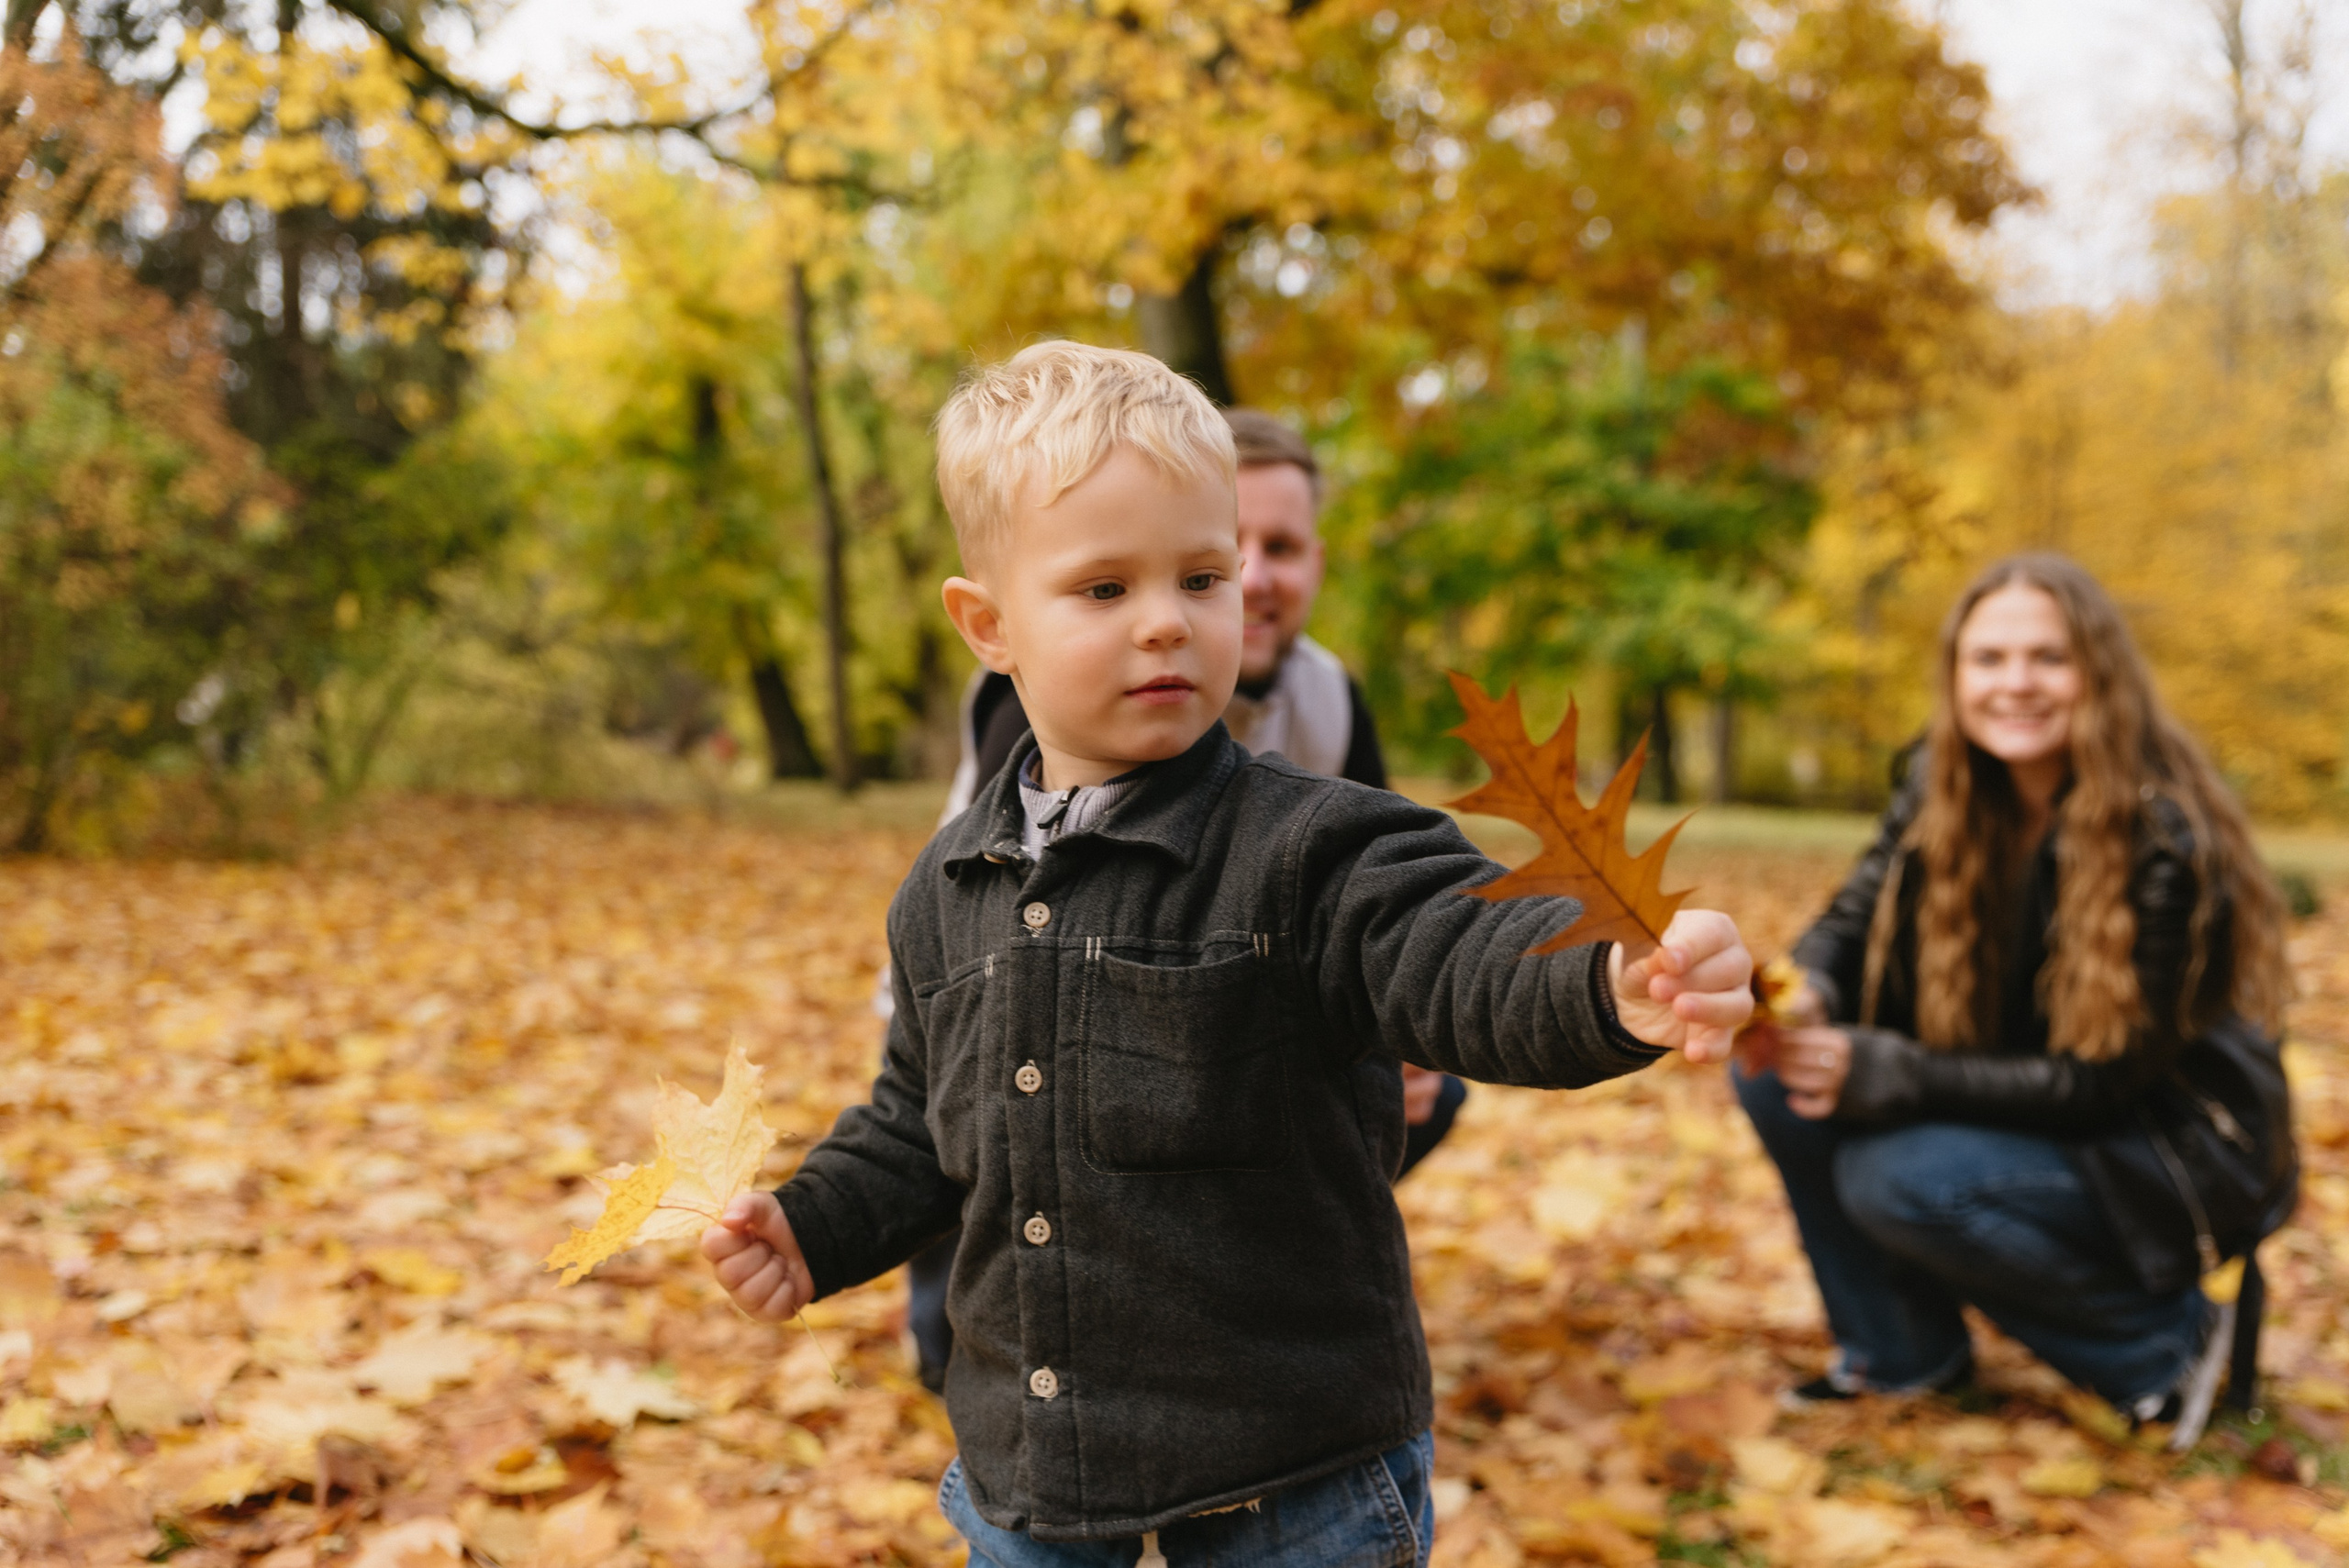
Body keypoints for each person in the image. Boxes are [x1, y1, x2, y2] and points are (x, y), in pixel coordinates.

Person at [704, 341, 1754, 1567]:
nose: (1167, 621)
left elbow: (1454, 945)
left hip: (1289, 1464)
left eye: (1203, 577)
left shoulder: (1311, 844)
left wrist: (1607, 980)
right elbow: (915, 1121)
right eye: (1103, 590)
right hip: (1040, 1460)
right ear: (988, 624)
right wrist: (813, 1225)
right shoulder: (945, 894)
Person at [903, 406, 1466, 1391]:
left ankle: (1233, 1270)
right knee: (983, 1149)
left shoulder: (1330, 698)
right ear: (998, 629)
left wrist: (1401, 1032)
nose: (1247, 580)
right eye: (1110, 584)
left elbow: (1399, 899)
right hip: (1004, 991)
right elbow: (1037, 926)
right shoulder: (1043, 700)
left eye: (1242, 563)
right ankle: (977, 1312)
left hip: (1241, 979)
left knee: (1421, 1087)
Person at [1736, 553, 2296, 1449]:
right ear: (1955, 676)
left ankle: (2169, 1352)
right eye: (1988, 659)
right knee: (1778, 1079)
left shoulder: (2168, 832)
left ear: (2099, 674)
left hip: (2167, 1145)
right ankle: (1900, 1351)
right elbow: (1852, 915)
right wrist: (1805, 995)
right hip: (2041, 1104)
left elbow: (2099, 1082)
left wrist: (1890, 1070)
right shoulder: (1940, 781)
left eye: (2047, 657)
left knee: (1893, 1178)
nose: (2015, 684)